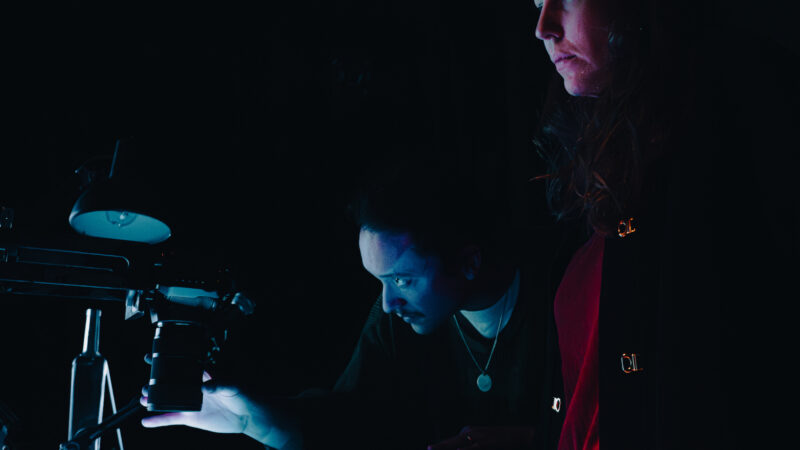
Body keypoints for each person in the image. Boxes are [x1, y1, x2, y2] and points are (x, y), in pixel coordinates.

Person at [140, 156, 565, 449]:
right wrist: (256, 422)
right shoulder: (395, 319)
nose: (389, 303)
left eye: (403, 279)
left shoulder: (561, 293)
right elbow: (348, 418)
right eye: (379, 281)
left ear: (469, 262)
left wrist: (535, 441)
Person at [531, 0, 795, 449]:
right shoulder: (592, 147)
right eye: (537, 3)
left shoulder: (741, 108)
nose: (543, 27)